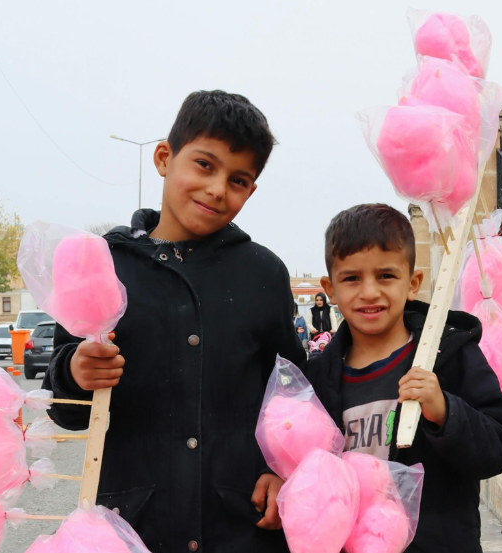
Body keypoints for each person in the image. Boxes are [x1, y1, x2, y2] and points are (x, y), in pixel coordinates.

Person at [43, 91, 306, 553]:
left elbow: (294, 393)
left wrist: (288, 469)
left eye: (238, 179)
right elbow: (63, 409)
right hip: (134, 528)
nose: (217, 188)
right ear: (164, 158)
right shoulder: (103, 264)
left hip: (241, 527)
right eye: (205, 165)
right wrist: (74, 371)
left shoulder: (263, 274)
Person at [303, 204, 502, 553]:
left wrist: (445, 412)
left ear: (412, 283)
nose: (369, 291)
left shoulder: (448, 355)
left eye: (386, 276)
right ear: (330, 288)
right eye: (352, 278)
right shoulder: (316, 379)